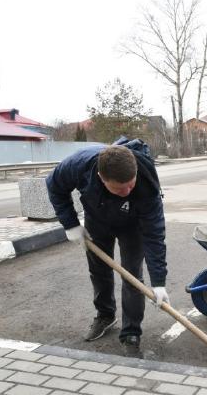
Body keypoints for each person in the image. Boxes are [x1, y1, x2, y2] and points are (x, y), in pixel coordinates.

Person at [46, 139, 169, 358]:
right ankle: (105, 315)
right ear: (102, 179)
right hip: (97, 220)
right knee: (99, 270)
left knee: (132, 276)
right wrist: (71, 224)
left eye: (131, 185)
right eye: (120, 189)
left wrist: (159, 282)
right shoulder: (80, 165)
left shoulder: (147, 181)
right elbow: (54, 186)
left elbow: (154, 234)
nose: (128, 191)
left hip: (134, 226)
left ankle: (131, 332)